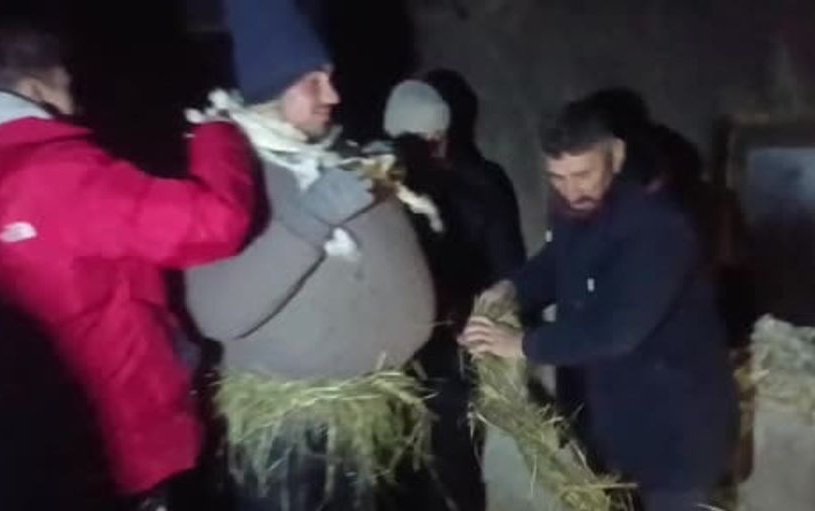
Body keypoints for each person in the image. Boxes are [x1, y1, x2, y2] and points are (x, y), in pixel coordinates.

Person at [0, 24, 262, 510]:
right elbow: (214, 222)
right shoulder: (56, 173)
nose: (75, 103)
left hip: (18, 448)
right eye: (66, 86)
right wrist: (218, 133)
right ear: (36, 89)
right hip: (122, 438)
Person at [184, 1, 435, 510]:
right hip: (291, 439)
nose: (333, 95)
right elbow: (217, 312)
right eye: (312, 82)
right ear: (271, 88)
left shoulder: (337, 154)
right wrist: (311, 217)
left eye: (331, 78)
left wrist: (383, 192)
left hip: (371, 415)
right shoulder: (229, 174)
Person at [460, 99, 738, 511]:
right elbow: (557, 263)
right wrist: (511, 288)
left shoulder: (660, 227)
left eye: (582, 174)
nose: (571, 191)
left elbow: (616, 331)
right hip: (611, 422)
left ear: (617, 154)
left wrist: (520, 344)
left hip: (675, 430)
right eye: (557, 177)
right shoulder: (576, 208)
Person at [381, 78, 526, 510]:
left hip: (395, 358)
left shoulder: (374, 186)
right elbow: (509, 270)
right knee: (454, 472)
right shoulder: (483, 182)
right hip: (452, 350)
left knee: (404, 474)